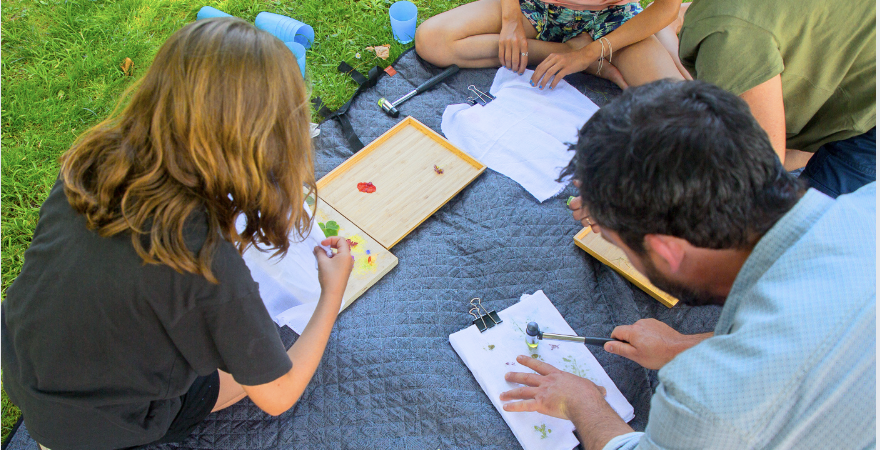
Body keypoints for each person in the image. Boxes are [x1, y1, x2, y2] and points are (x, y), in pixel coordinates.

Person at [1, 18, 353, 450]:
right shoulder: (206, 261)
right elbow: (278, 395)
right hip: (97, 428)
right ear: (267, 143)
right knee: (237, 372)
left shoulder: (95, 159)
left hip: (23, 368)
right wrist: (331, 295)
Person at [499, 80, 875, 449]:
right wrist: (684, 347)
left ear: (667, 251)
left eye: (618, 244)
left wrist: (582, 402)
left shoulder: (709, 396)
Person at [671, 0, 875, 198]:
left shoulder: (729, 29)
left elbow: (763, 172)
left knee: (800, 227)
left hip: (871, 119)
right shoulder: (732, 21)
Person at [413, 0, 690, 90]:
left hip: (614, 20)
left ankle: (583, 56)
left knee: (678, 105)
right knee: (433, 41)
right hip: (539, 7)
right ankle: (570, 53)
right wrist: (510, 19)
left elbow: (666, 7)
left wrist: (593, 51)